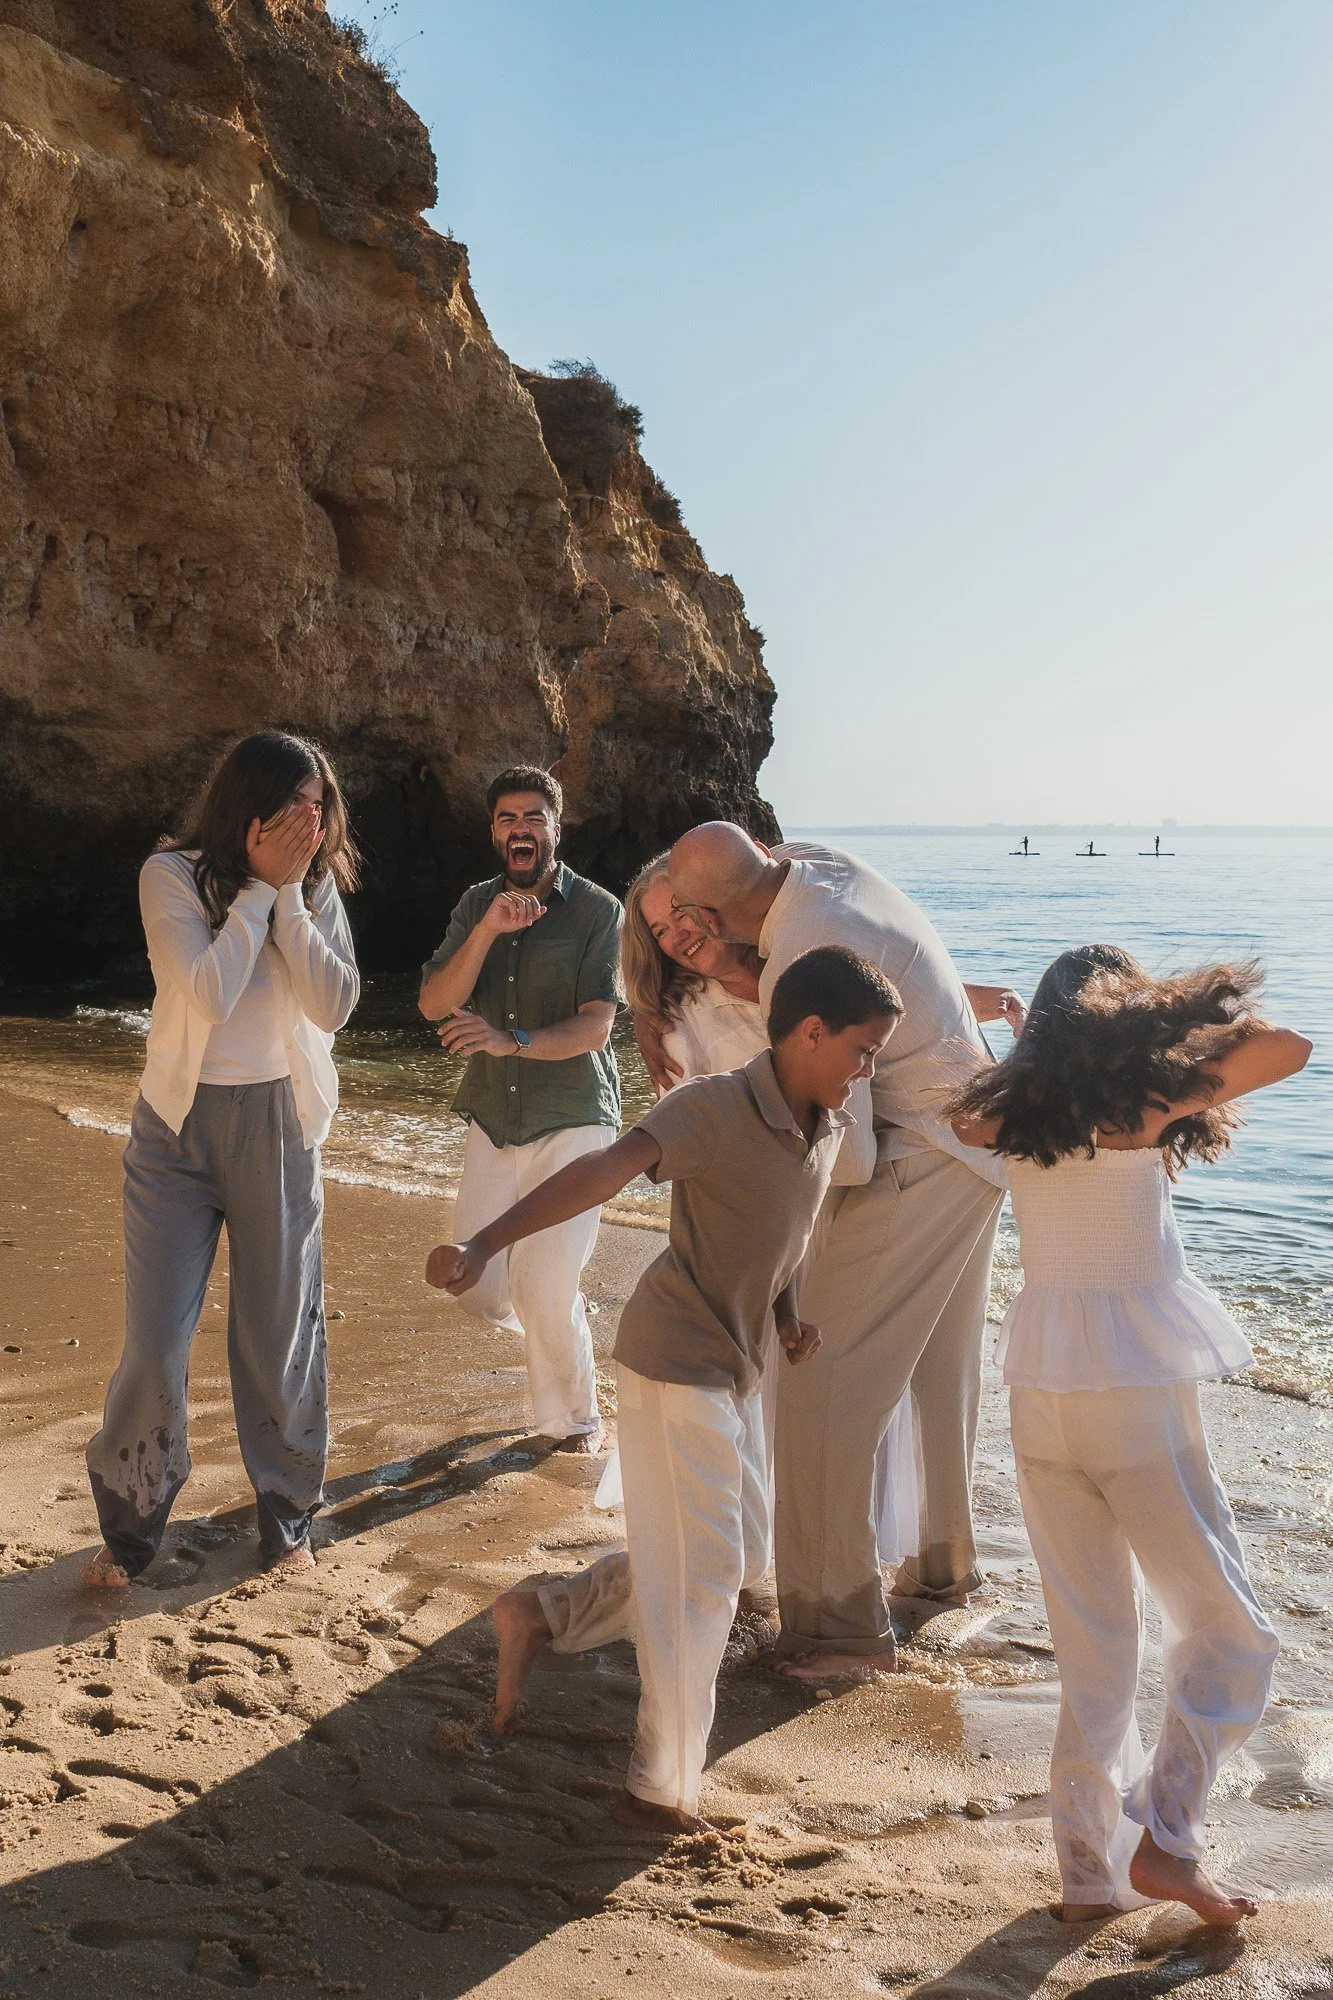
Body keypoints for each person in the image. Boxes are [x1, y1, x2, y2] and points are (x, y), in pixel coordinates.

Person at [426, 946, 904, 1834]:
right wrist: (484, 1244)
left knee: (734, 1550)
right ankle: (658, 1786)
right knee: (709, 1576)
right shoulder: (715, 1107)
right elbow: (599, 1172)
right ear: (808, 1032)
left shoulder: (822, 1120)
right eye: (862, 1050)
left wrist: (789, 1313)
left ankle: (541, 1613)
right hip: (669, 1357)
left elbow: (782, 1230)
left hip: (730, 1364)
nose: (868, 1070)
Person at [950, 946, 1310, 1926]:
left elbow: (959, 1111)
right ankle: (1168, 1838)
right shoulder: (1137, 1110)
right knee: (1234, 1633)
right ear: (1120, 1017)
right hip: (1132, 1396)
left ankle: (1085, 1871)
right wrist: (1161, 1037)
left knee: (1095, 1642)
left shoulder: (1006, 1114)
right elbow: (1291, 1043)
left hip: (1042, 1395)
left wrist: (1052, 1051)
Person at [661, 824, 1022, 1680]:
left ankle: (839, 1630)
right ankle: (941, 1574)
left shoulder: (803, 954)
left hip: (923, 1152)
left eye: (685, 915)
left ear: (715, 909)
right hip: (981, 1138)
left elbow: (850, 1156)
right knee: (940, 1375)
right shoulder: (820, 864)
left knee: (820, 1380)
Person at [84, 732, 361, 1587]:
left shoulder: (312, 890)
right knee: (156, 1342)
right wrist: (253, 895)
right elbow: (203, 991)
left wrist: (290, 902)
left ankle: (287, 1520)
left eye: (321, 810)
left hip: (279, 1125)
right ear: (251, 807)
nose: (310, 826)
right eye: (295, 808)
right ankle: (129, 1533)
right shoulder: (169, 876)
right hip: (175, 1131)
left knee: (279, 1335)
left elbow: (336, 1003)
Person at [621, 855, 918, 1574]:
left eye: (683, 915)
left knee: (846, 1382)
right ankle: (770, 1560)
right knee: (767, 1391)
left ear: (715, 907)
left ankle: (847, 1549)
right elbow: (688, 1133)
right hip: (768, 1220)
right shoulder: (682, 1018)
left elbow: (875, 1011)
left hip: (836, 1198)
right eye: (658, 931)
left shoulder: (795, 974)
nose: (677, 936)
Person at [419, 768, 622, 1452]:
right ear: (495, 833)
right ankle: (557, 1308)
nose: (520, 829)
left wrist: (509, 1041)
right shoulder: (475, 901)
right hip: (492, 1116)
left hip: (575, 1118)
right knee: (475, 1286)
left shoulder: (598, 911)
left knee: (540, 1282)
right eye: (507, 818)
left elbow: (596, 1027)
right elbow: (431, 1001)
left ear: (555, 830)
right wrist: (486, 930)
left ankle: (572, 1424)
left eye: (533, 817)